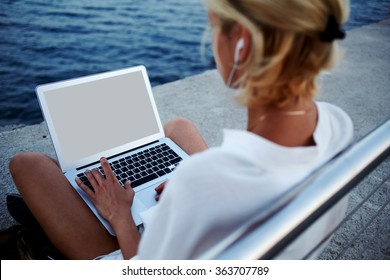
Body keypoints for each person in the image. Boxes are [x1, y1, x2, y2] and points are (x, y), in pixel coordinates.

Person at [9, 0, 352, 260]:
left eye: (213, 27)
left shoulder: (201, 181)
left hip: (134, 256)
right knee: (178, 127)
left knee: (29, 164)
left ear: (242, 45)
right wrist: (207, 185)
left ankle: (54, 237)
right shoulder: (335, 123)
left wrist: (121, 216)